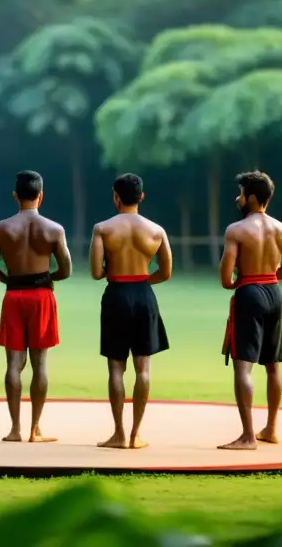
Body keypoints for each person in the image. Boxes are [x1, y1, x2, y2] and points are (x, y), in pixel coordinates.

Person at [0, 170, 72, 443]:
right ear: (41, 195)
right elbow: (66, 269)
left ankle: (14, 430)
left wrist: (10, 281)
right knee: (40, 363)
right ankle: (35, 429)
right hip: (42, 296)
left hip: (14, 296)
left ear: (15, 196)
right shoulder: (54, 229)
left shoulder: (0, 228)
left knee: (13, 364)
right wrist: (47, 278)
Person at [89, 173, 172, 450]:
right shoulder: (157, 231)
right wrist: (143, 281)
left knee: (116, 368)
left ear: (116, 196)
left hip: (116, 295)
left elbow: (96, 272)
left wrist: (115, 272)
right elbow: (166, 272)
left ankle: (119, 434)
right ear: (141, 197)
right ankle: (136, 435)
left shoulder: (102, 229)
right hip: (144, 294)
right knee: (143, 368)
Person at [217, 170, 282, 451]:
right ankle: (271, 430)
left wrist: (244, 280)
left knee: (244, 366)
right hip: (275, 294)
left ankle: (248, 437)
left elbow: (226, 279)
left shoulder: (236, 230)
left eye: (240, 193)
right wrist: (267, 275)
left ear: (251, 198)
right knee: (273, 365)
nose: (236, 198)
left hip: (249, 294)